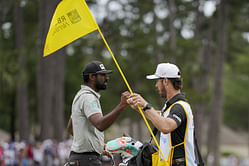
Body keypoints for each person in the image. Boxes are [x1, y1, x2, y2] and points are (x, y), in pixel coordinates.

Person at [127, 63, 197, 166]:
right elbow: (159, 118)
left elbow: (165, 126)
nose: (156, 85)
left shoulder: (180, 106)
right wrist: (140, 108)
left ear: (165, 81)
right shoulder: (170, 106)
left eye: (157, 81)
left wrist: (146, 105)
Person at [67, 61, 129, 166]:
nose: (107, 78)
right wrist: (121, 106)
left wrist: (97, 146)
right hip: (87, 160)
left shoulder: (80, 95)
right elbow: (100, 124)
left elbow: (70, 128)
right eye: (103, 75)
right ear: (91, 77)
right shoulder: (89, 97)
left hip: (78, 158)